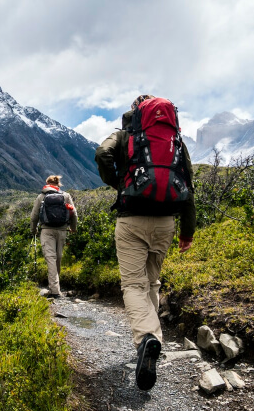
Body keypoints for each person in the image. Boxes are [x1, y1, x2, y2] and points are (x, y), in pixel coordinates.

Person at [95, 95, 196, 391]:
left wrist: (118, 183)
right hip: (166, 222)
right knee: (152, 282)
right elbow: (188, 184)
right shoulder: (175, 141)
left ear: (136, 113)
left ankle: (147, 339)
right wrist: (187, 233)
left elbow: (102, 154)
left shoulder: (126, 135)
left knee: (133, 285)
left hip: (131, 220)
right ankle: (152, 340)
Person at [30, 175, 77, 298]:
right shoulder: (65, 196)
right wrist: (73, 228)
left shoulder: (41, 196)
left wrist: (34, 230)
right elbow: (74, 213)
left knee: (50, 258)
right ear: (58, 184)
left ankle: (55, 290)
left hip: (47, 231)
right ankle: (56, 286)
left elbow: (34, 216)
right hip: (62, 230)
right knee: (58, 258)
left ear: (47, 184)